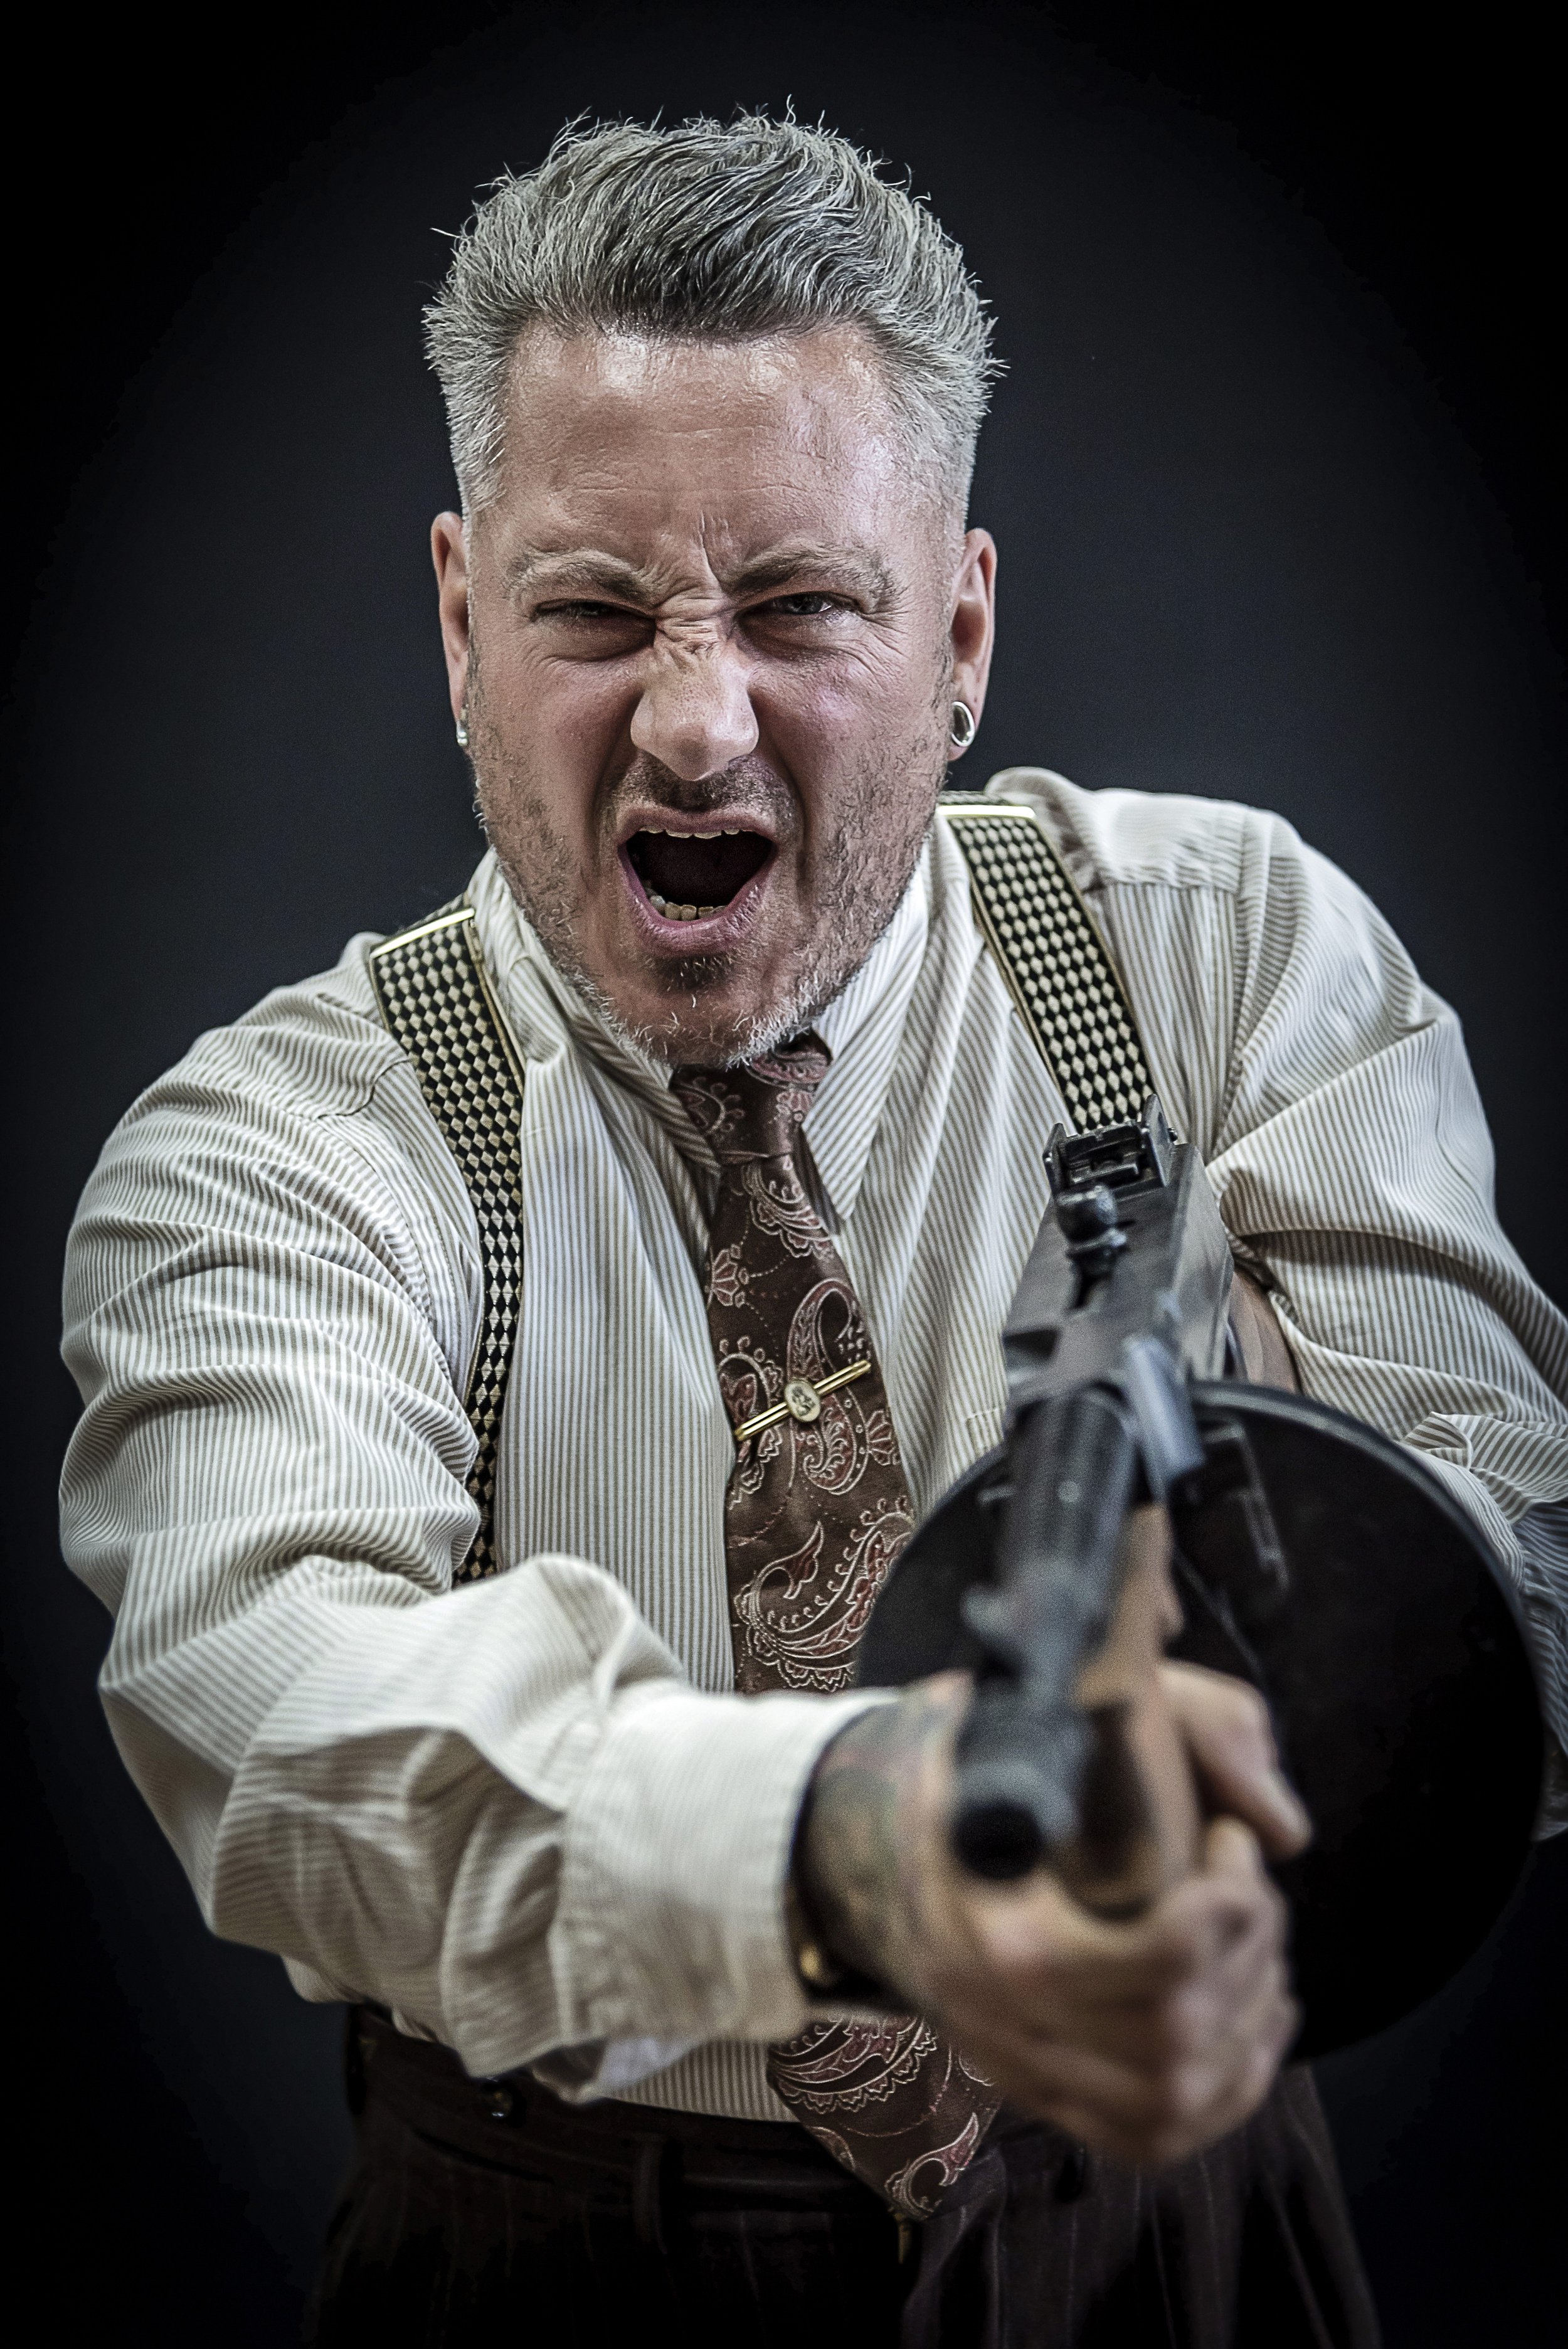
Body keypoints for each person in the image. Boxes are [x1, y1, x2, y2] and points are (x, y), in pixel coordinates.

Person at [59, 114, 1567, 2348]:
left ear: (958, 631)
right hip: (558, 2261)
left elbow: (1513, 1584)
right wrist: (875, 1837)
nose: (692, 718)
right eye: (590, 614)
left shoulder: (1232, 963)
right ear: (463, 621)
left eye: (799, 607)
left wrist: (1273, 1700)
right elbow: (281, 1718)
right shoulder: (279, 1142)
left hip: (1181, 2232)